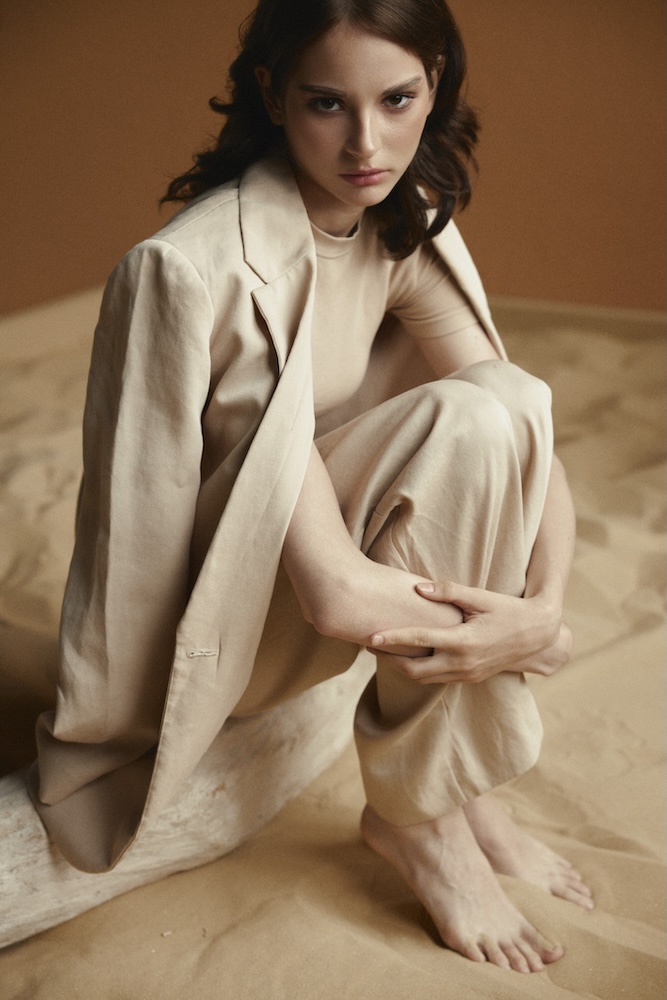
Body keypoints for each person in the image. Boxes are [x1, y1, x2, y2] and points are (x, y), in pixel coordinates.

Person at [29, 0, 594, 974]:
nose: (366, 144)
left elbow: (526, 438)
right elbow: (334, 594)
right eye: (328, 103)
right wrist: (511, 636)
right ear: (272, 93)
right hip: (220, 624)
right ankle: (420, 819)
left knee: (500, 400)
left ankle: (460, 793)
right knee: (466, 422)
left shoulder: (397, 213)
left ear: (434, 87)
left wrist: (542, 610)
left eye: (396, 99)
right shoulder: (201, 270)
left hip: (324, 575)